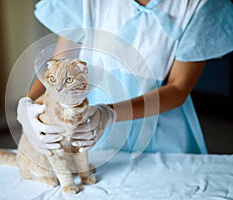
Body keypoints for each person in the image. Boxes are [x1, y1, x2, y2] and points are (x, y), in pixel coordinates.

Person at [17, 0, 233, 156]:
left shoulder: (200, 5)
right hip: (86, 124)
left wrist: (108, 114)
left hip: (158, 123)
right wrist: (28, 106)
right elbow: (59, 65)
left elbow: (178, 88)